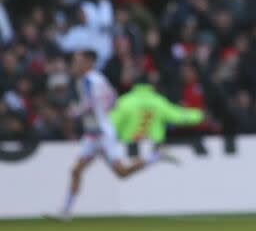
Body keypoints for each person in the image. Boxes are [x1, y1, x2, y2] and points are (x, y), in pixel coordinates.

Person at [47, 51, 175, 221]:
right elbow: (113, 97)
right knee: (76, 170)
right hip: (93, 133)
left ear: (88, 62)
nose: (74, 65)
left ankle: (155, 157)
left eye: (78, 62)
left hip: (102, 134)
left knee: (121, 172)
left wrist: (75, 112)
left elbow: (90, 103)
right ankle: (65, 211)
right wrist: (104, 112)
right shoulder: (96, 79)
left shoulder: (89, 80)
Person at [110, 79, 205, 145]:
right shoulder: (158, 101)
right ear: (151, 86)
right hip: (154, 150)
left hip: (129, 150)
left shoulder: (124, 101)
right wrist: (200, 116)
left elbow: (110, 123)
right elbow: (178, 116)